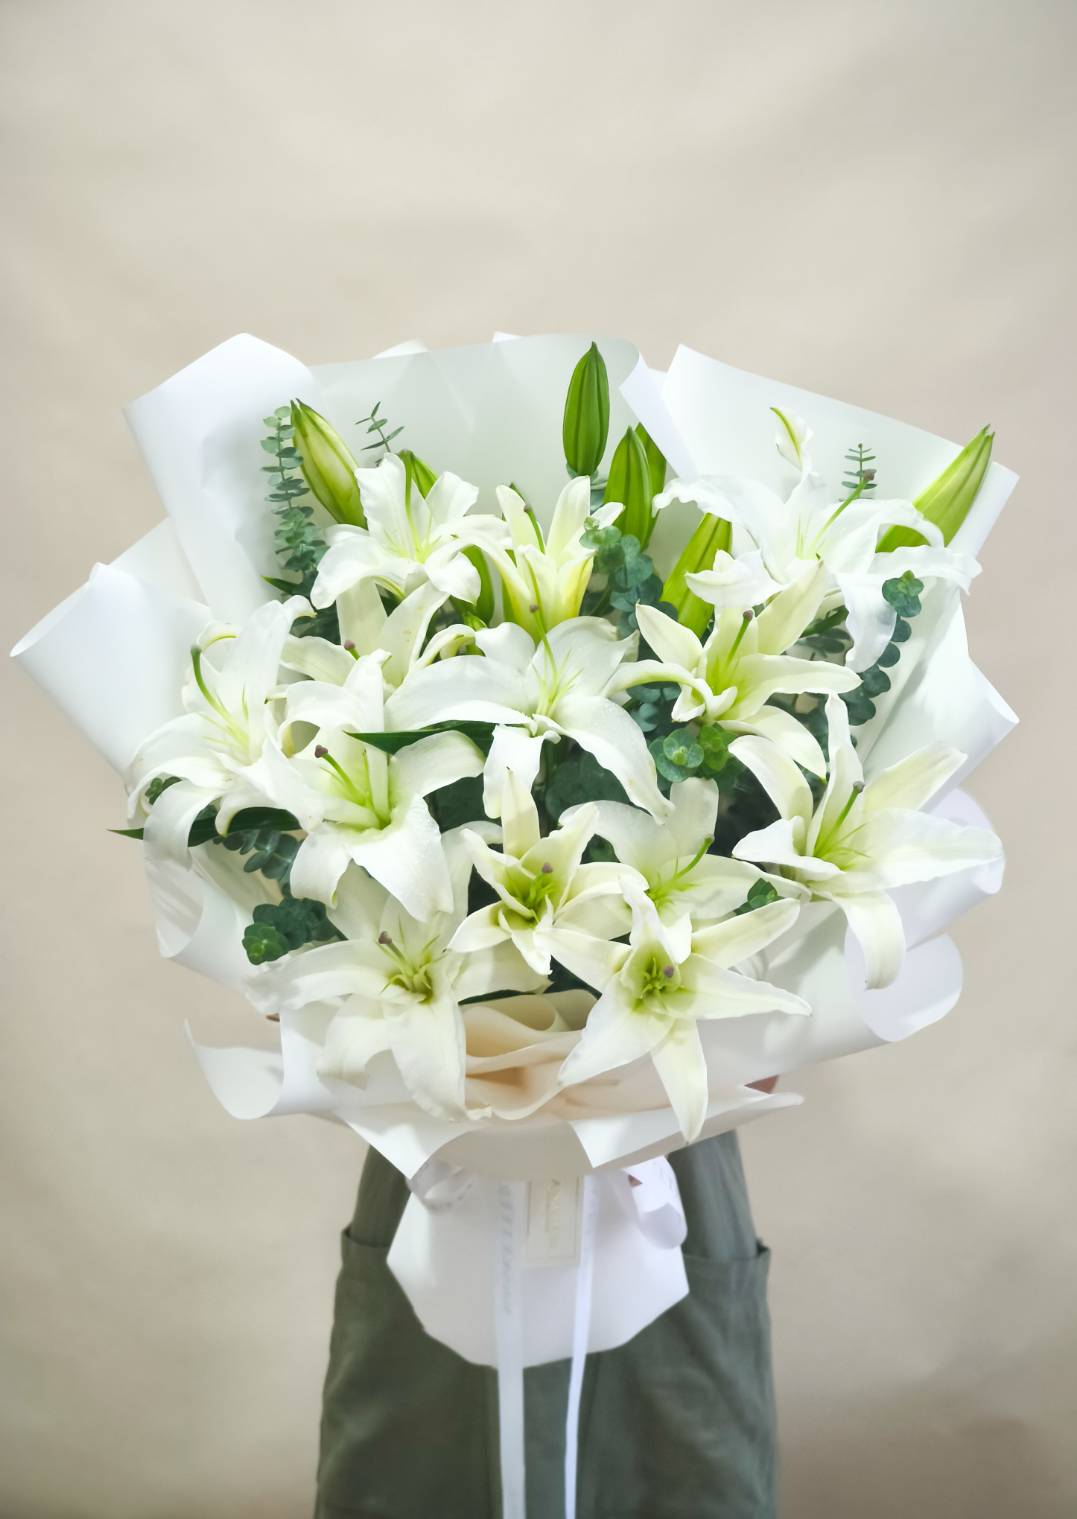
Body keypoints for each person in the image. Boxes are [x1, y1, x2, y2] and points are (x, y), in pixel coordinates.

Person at [312, 1125, 778, 1519]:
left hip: (672, 1168)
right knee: (402, 1474)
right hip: (431, 1170)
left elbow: (763, 1068)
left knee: (684, 1475)